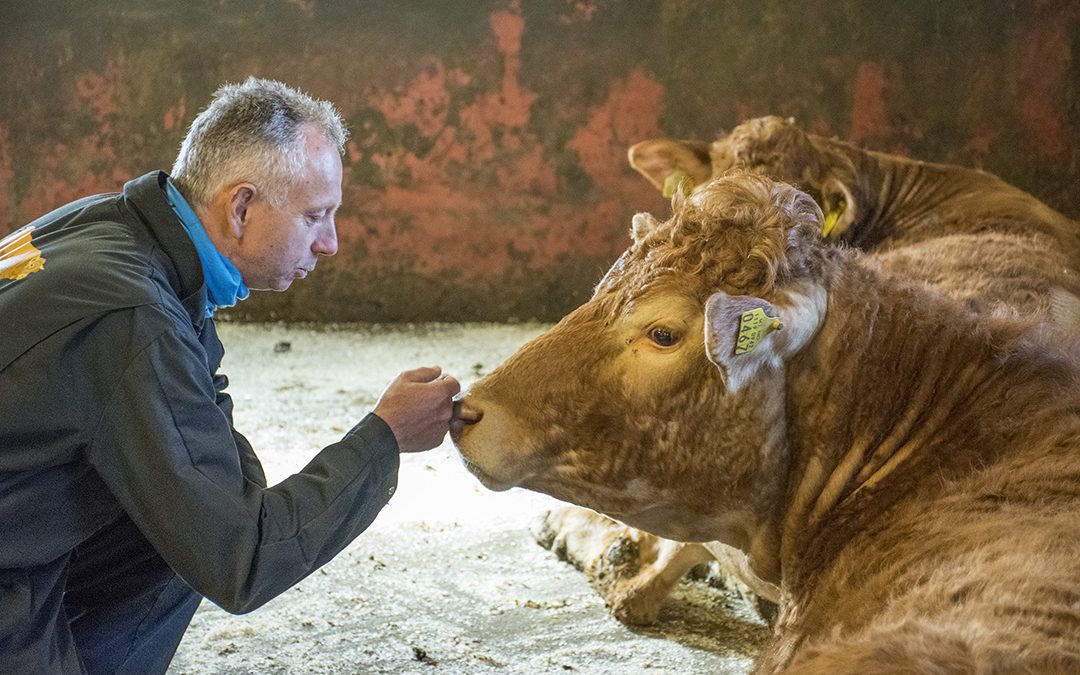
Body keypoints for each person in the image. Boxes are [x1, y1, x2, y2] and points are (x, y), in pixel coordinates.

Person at [0, 77, 463, 674]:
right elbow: (241, 558)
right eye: (315, 216)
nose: (330, 244)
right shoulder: (134, 317)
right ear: (241, 206)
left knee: (178, 520)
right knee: (198, 532)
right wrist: (384, 438)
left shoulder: (120, 232)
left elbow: (217, 471)